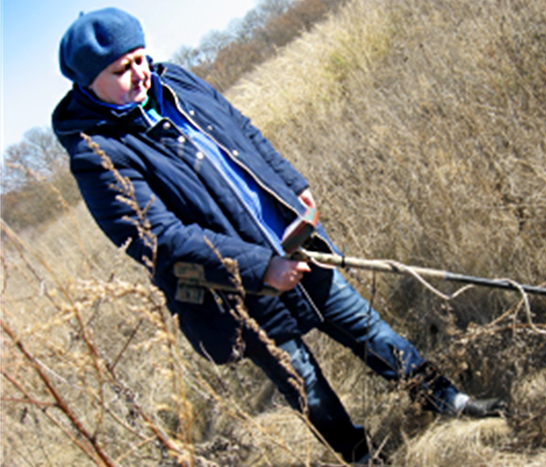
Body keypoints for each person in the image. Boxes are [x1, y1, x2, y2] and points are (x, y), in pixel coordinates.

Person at [52, 8, 505, 464]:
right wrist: (260, 269)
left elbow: (244, 130)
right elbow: (158, 239)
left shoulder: (178, 83)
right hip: (235, 288)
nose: (139, 73)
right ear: (87, 83)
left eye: (140, 58)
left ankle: (449, 402)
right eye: (121, 70)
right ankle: (363, 457)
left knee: (370, 330)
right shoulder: (97, 153)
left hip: (295, 244)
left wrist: (294, 185)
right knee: (304, 382)